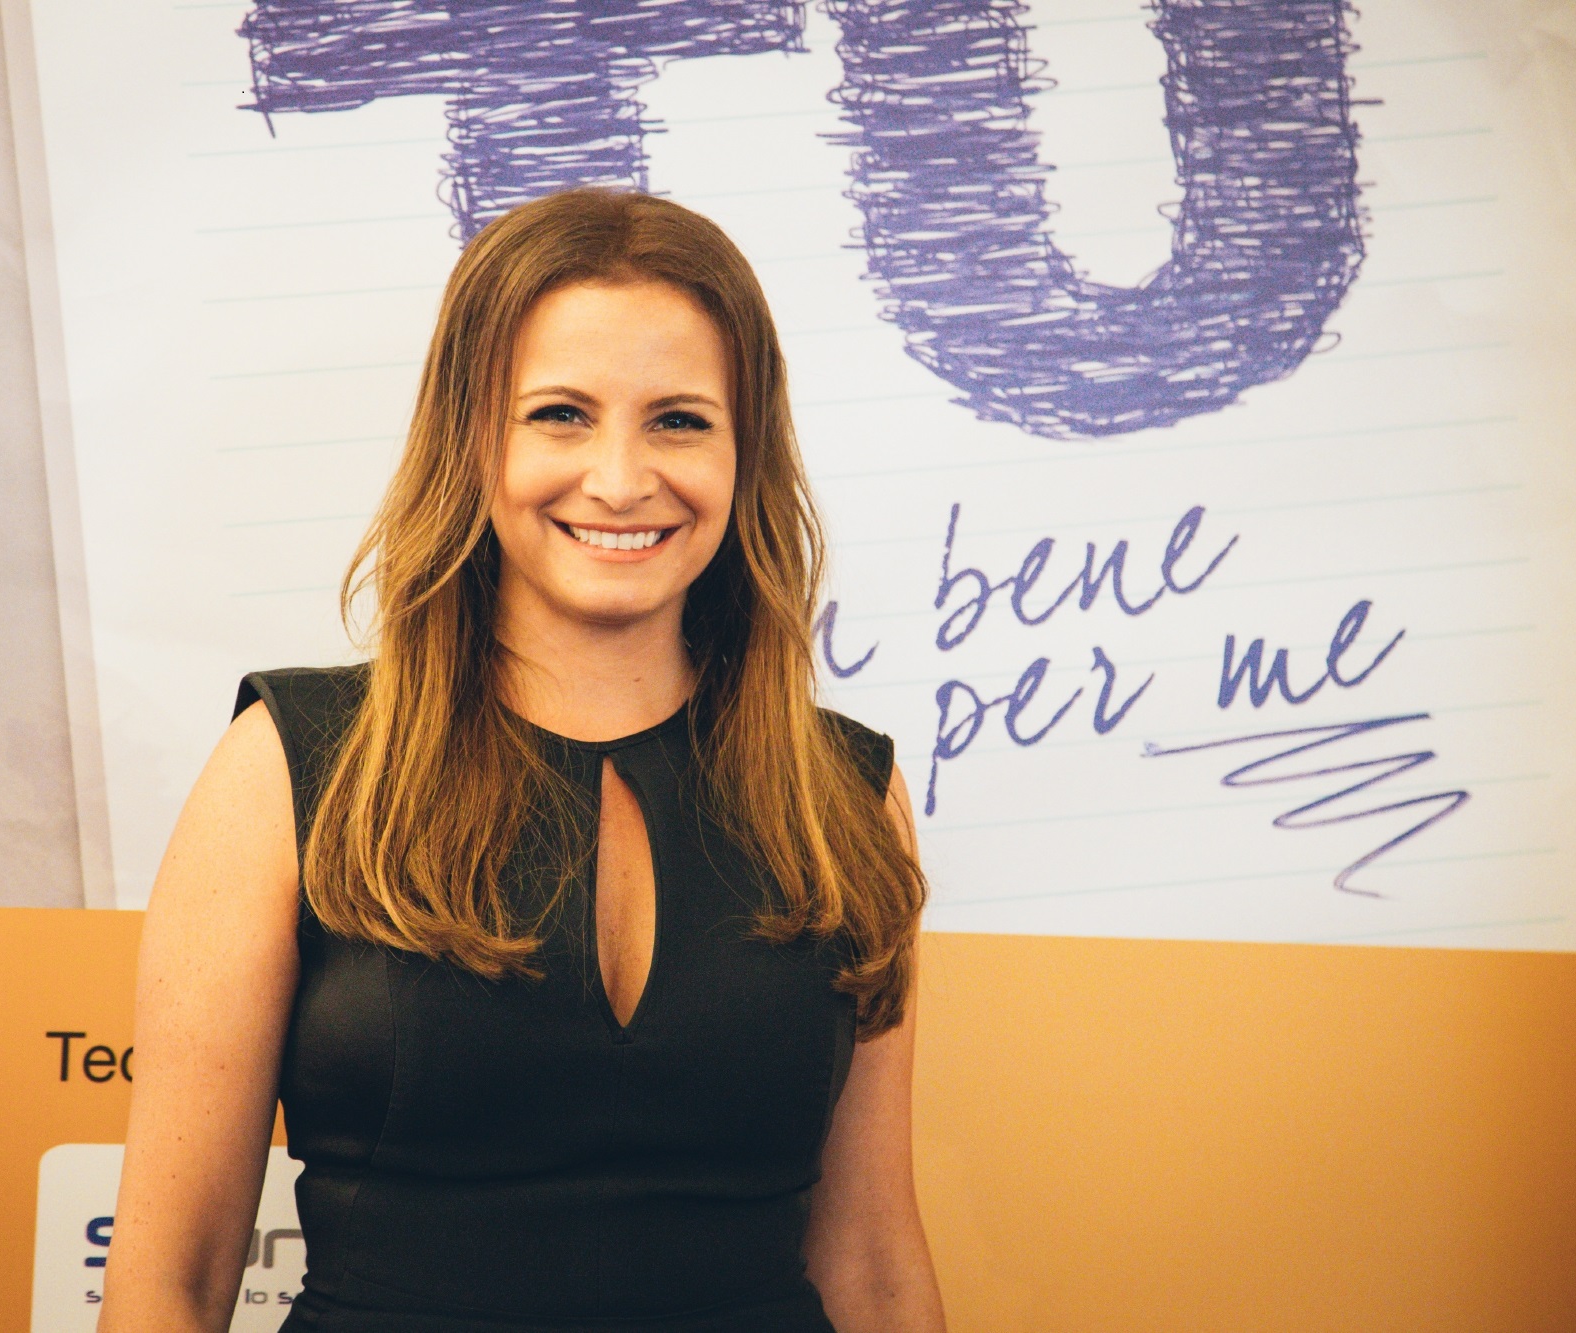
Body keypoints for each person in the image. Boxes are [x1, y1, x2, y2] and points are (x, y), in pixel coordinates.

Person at [97, 188, 947, 1333]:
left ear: (744, 451)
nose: (619, 477)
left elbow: (873, 1265)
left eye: (678, 420)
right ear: (470, 438)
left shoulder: (844, 795)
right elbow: (171, 1281)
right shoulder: (290, 768)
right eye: (558, 414)